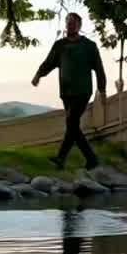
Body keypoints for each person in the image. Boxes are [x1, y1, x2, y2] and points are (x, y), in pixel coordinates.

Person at [31, 12, 106, 170]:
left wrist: (102, 89)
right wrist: (38, 74)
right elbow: (49, 62)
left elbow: (99, 68)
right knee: (73, 126)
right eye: (68, 23)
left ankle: (62, 158)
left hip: (82, 91)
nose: (69, 25)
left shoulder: (89, 46)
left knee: (71, 122)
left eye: (73, 23)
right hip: (66, 92)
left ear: (79, 25)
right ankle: (90, 159)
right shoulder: (60, 45)